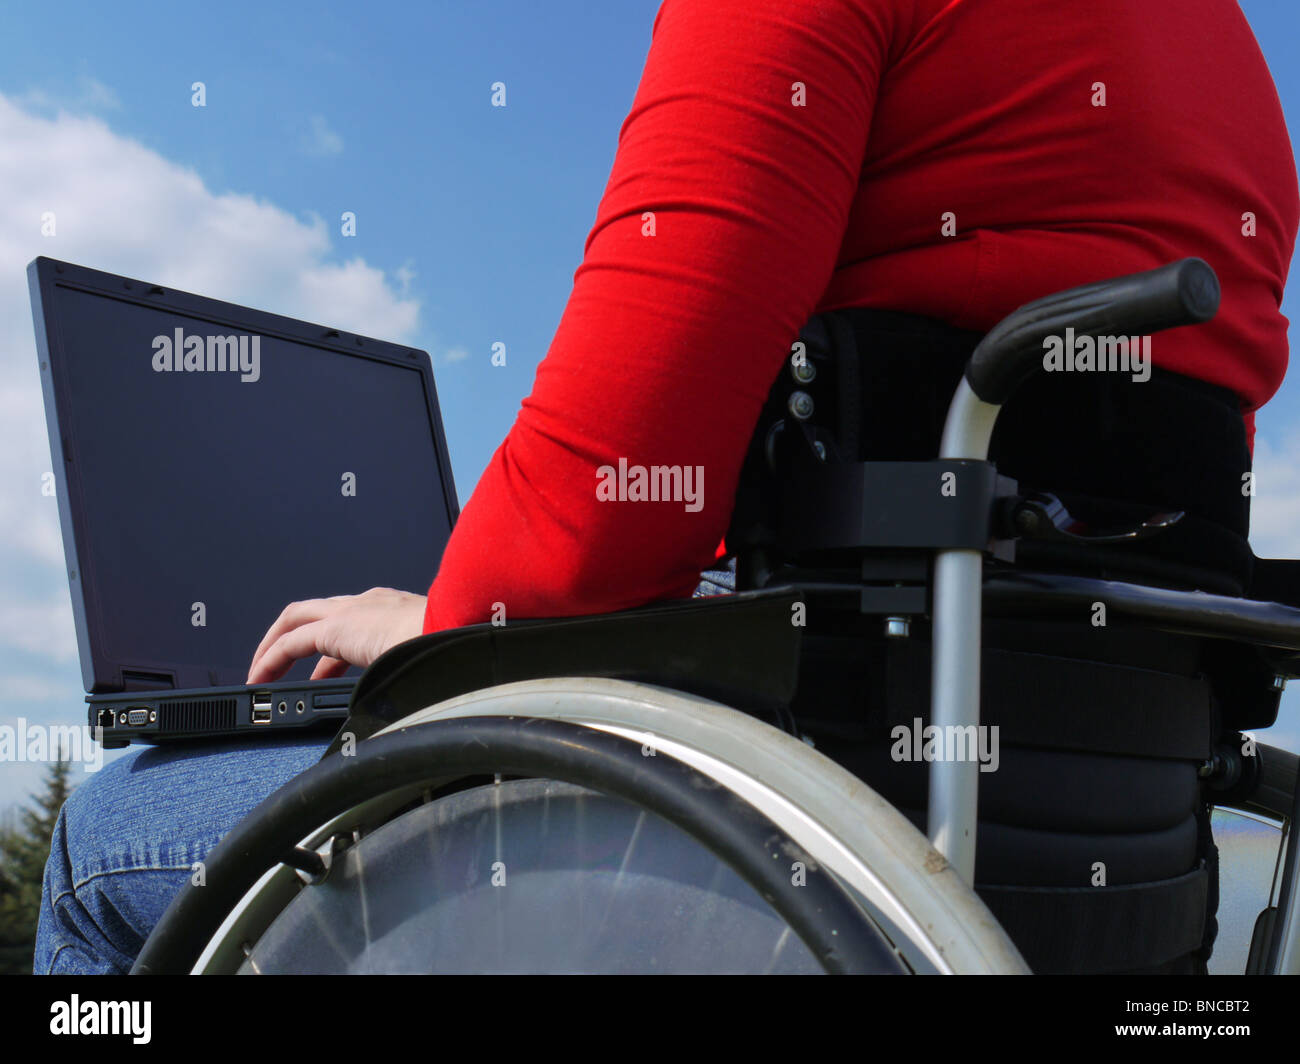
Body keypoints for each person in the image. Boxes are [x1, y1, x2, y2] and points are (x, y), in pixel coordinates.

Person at [38, 0, 1298, 974]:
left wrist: (442, 622)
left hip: (809, 849)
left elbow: (603, 510)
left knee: (110, 838)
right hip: (1119, 858)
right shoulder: (1226, 54)